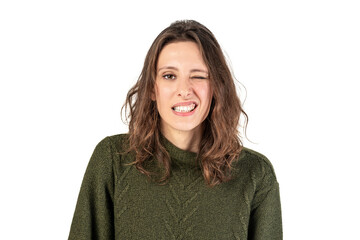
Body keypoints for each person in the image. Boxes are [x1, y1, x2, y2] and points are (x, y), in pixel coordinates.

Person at [68, 20, 282, 240]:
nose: (184, 90)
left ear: (216, 87)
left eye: (198, 76)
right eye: (169, 76)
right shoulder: (114, 160)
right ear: (152, 88)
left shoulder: (255, 174)